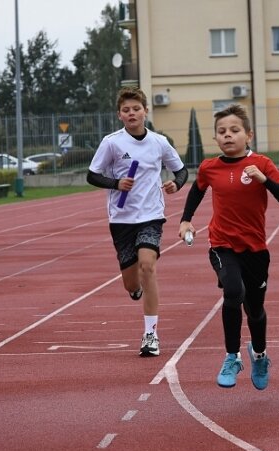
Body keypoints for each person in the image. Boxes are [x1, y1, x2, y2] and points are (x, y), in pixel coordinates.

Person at [178, 104, 279, 389]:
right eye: (221, 132)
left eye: (234, 130)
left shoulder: (262, 164)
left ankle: (259, 355)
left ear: (249, 135)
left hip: (255, 249)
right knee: (233, 292)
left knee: (255, 310)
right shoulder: (209, 167)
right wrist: (185, 221)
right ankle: (231, 357)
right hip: (222, 245)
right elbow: (196, 191)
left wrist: (264, 180)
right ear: (215, 138)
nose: (227, 136)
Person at [87, 86, 189, 357]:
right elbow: (92, 175)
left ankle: (150, 335)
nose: (131, 113)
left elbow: (181, 171)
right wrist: (116, 183)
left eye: (136, 109)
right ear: (120, 115)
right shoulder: (112, 143)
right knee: (132, 284)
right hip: (121, 219)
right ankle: (136, 290)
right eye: (126, 110)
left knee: (148, 266)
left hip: (151, 215)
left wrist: (175, 185)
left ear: (145, 111)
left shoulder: (159, 142)